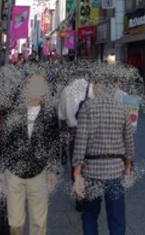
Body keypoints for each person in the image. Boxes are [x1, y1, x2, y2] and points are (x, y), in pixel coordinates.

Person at [0, 73, 61, 235]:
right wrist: (0, 168)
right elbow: (4, 140)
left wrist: (53, 170)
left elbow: (54, 142)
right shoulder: (13, 111)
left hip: (39, 171)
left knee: (39, 222)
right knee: (15, 222)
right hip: (14, 171)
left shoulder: (49, 113)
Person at [72, 74, 134, 235]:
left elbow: (80, 142)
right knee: (117, 218)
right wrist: (127, 166)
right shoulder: (122, 109)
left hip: (92, 172)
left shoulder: (87, 108)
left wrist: (77, 173)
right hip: (115, 171)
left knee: (90, 215)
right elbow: (129, 143)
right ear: (114, 87)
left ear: (97, 86)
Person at [59, 68, 93, 210]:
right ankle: (90, 194)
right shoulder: (91, 88)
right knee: (90, 163)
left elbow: (61, 115)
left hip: (74, 132)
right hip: (91, 132)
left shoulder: (66, 90)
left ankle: (79, 198)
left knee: (76, 164)